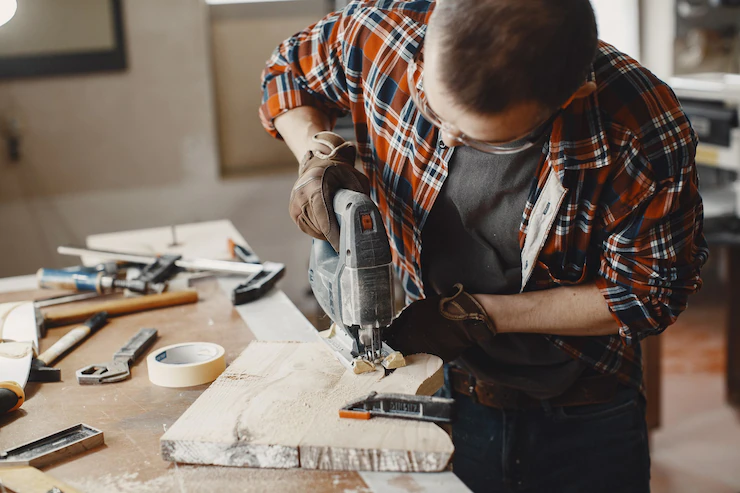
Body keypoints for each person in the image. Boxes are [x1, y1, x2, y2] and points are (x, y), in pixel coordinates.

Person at [260, 1, 708, 491]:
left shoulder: (638, 123)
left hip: (584, 410)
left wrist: (476, 314)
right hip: (438, 388)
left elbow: (647, 294)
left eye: (480, 140)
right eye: (433, 108)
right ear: (429, 44)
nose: (446, 137)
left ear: (570, 96)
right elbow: (287, 73)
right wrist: (315, 154)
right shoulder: (382, 30)